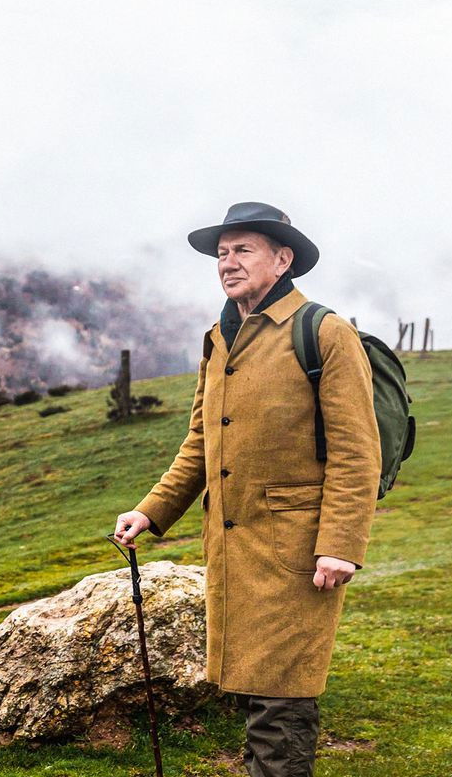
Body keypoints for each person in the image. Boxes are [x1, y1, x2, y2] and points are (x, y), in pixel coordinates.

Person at [113, 201, 381, 777]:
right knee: (251, 690)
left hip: (298, 548)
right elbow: (199, 442)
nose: (227, 263)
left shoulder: (325, 333)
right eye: (221, 253)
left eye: (243, 250)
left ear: (282, 259)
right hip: (232, 546)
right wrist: (151, 510)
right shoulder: (219, 337)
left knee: (282, 696)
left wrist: (340, 543)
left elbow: (357, 451)